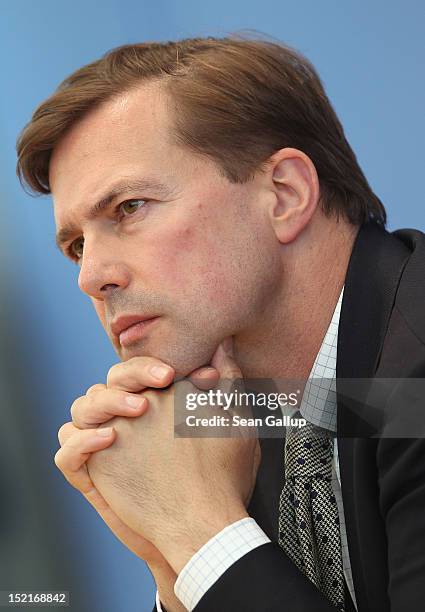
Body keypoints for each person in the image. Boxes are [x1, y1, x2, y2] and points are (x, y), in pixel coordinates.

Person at [16, 36, 425, 612]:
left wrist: (201, 534)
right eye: (77, 245)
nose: (90, 276)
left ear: (284, 194)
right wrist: (172, 571)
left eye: (129, 208)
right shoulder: (239, 406)